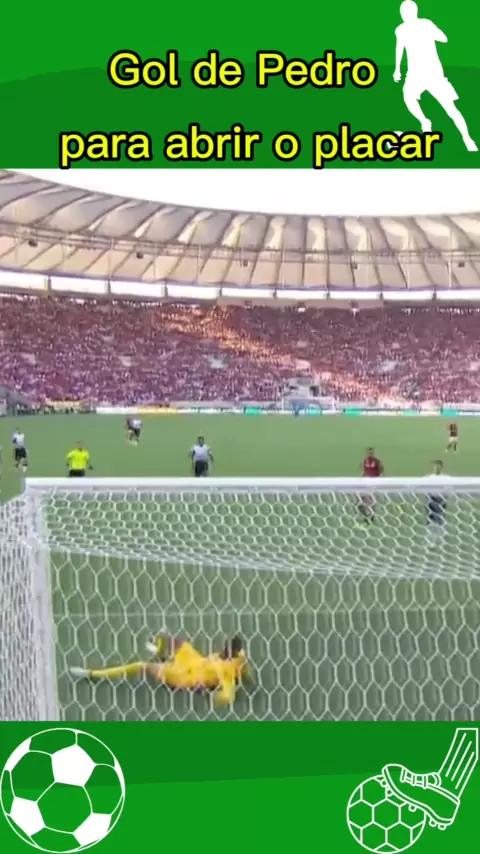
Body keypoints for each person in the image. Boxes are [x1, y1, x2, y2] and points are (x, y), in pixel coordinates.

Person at [70, 633, 250, 707]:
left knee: (141, 666)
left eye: (228, 650)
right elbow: (244, 665)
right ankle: (159, 652)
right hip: (194, 660)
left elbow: (228, 696)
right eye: (225, 648)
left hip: (184, 676)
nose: (224, 650)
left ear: (232, 653)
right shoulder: (239, 657)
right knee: (170, 638)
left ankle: (92, 674)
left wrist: (208, 695)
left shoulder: (226, 671)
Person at [393, 0, 477, 152]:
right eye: (403, 12)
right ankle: (424, 121)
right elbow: (399, 48)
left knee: (450, 108)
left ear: (414, 12)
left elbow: (444, 38)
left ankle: (467, 138)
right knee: (408, 96)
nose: (404, 14)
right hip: (414, 74)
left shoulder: (426, 24)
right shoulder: (400, 30)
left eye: (407, 11)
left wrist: (429, 33)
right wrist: (397, 69)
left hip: (433, 73)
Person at [357, 448, 384, 526]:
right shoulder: (365, 461)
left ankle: (371, 517)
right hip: (365, 482)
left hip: (373, 483)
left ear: (373, 453)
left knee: (370, 501)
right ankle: (366, 516)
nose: (370, 454)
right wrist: (363, 476)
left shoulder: (377, 461)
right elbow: (362, 468)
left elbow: (381, 469)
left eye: (371, 453)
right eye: (369, 453)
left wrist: (379, 477)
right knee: (360, 500)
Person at [425, 459, 449, 536]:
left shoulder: (446, 478)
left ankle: (441, 533)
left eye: (438, 467)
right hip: (431, 499)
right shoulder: (429, 477)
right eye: (435, 467)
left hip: (441, 500)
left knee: (441, 517)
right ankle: (429, 534)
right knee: (431, 517)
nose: (436, 468)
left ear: (441, 467)